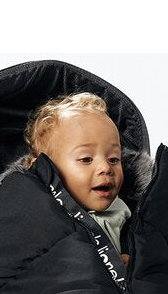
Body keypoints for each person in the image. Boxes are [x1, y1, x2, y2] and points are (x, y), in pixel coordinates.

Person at [20, 92, 132, 265]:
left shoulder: (127, 214)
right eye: (86, 159)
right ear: (43, 170)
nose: (105, 168)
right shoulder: (35, 213)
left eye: (113, 159)